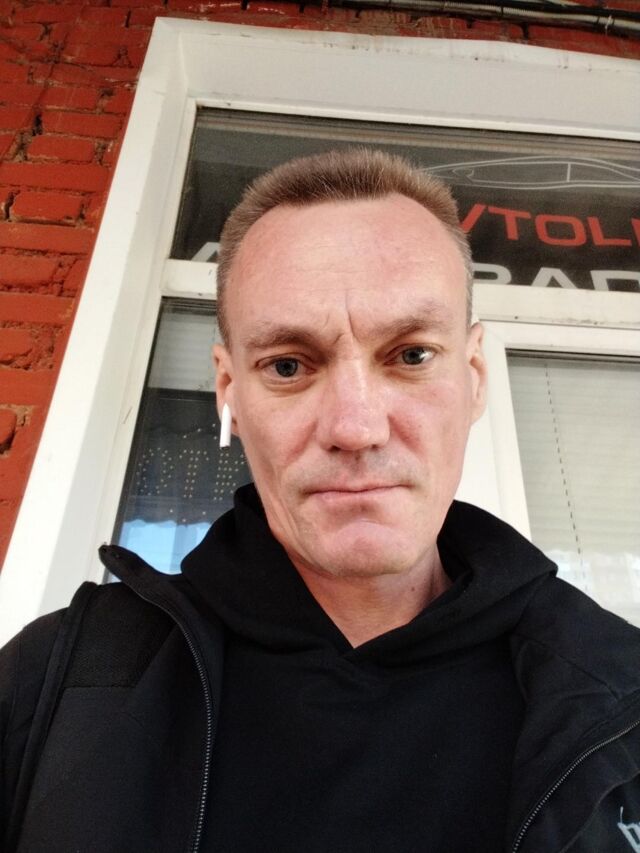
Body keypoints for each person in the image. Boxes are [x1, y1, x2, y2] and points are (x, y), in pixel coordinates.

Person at [1, 149, 640, 853]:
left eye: (412, 355)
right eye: (288, 365)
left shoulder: (618, 695)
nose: (356, 428)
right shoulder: (53, 684)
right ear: (228, 391)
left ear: (476, 374)